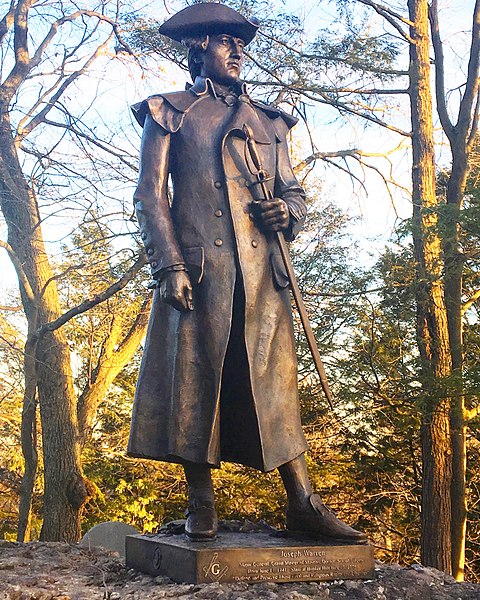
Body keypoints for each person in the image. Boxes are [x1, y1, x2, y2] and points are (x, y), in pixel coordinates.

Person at [128, 2, 366, 545]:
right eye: (224, 42)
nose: (238, 52)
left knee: (274, 385)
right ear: (197, 48)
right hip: (200, 272)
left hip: (264, 275)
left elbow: (294, 190)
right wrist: (169, 263)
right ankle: (201, 502)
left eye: (241, 44)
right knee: (197, 379)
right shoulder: (172, 112)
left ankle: (302, 502)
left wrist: (290, 211)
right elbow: (149, 195)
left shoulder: (270, 121)